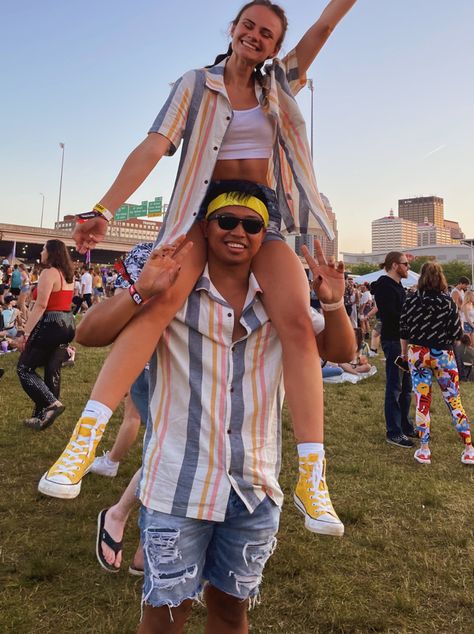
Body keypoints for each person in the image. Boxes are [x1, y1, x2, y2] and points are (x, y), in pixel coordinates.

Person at [40, 0, 414, 524]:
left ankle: (312, 478)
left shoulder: (280, 87)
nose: (255, 35)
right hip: (201, 208)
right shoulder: (195, 85)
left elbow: (322, 28)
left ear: (274, 47)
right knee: (158, 301)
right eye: (248, 24)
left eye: (267, 32)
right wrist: (106, 209)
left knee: (295, 317)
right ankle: (82, 442)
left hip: (263, 213)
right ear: (233, 29)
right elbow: (154, 146)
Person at [42, 187, 355, 632]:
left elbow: (340, 350)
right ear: (205, 227)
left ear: (264, 236)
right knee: (165, 614)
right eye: (226, 221)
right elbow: (88, 334)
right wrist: (138, 291)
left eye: (251, 226)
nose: (238, 233)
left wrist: (334, 302)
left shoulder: (279, 301)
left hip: (253, 487)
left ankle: (313, 479)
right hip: (177, 487)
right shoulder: (172, 290)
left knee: (231, 612)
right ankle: (83, 440)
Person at [400, 262, 474, 465]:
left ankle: (424, 449)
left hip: (417, 353)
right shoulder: (447, 302)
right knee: (454, 400)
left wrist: (404, 354)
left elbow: (404, 330)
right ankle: (468, 448)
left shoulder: (411, 300)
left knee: (422, 401)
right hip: (443, 354)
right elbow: (455, 333)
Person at [16, 240, 75, 429]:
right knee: (52, 369)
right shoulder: (68, 274)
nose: (41, 252)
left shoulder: (49, 273)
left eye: (43, 249)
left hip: (52, 322)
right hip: (67, 322)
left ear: (51, 252)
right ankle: (42, 417)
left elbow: (42, 305)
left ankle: (51, 405)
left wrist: (26, 332)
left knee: (24, 369)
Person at [373, 252, 415, 448]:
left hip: (404, 341)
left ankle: (405, 425)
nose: (407, 267)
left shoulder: (397, 285)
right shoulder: (384, 285)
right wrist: (412, 318)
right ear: (394, 265)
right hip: (393, 341)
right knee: (395, 387)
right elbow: (391, 315)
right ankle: (394, 431)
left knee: (407, 387)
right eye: (405, 264)